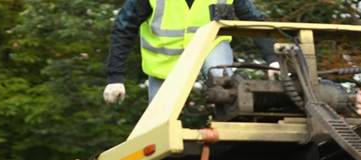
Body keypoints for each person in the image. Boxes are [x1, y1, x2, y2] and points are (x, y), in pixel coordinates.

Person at [104, 0, 280, 104]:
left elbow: (253, 20)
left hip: (210, 47)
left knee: (222, 78)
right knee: (156, 125)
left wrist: (273, 59)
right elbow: (124, 28)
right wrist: (115, 78)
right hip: (164, 65)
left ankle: (232, 116)